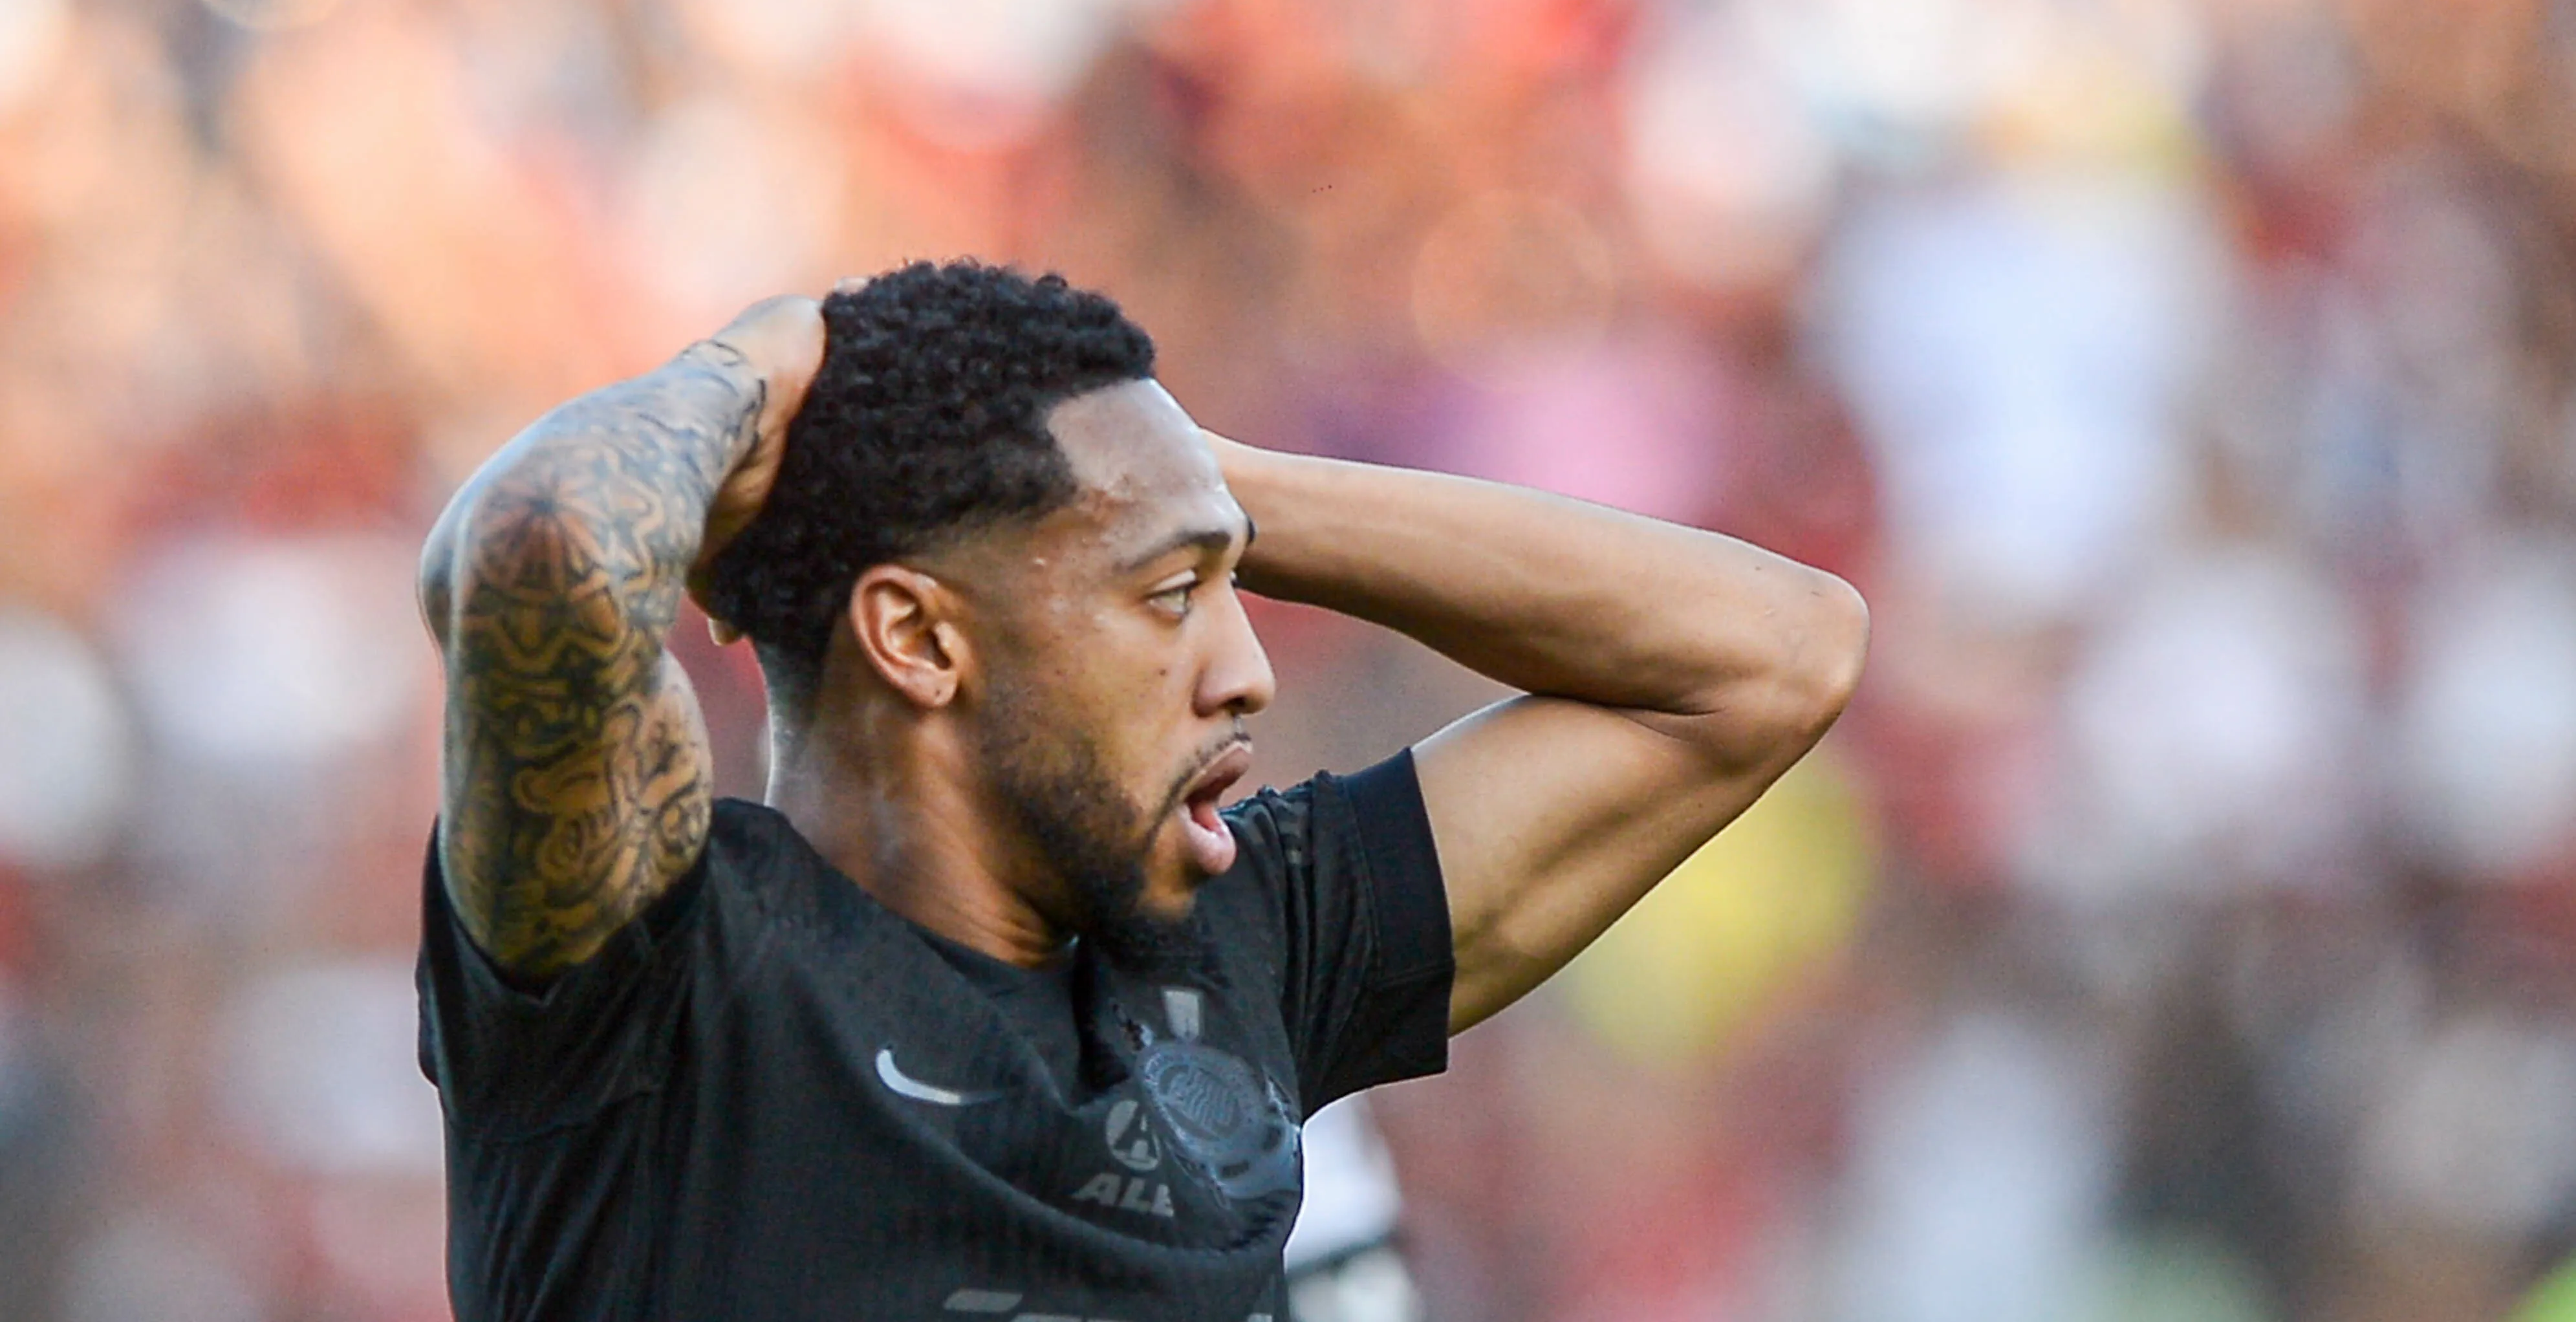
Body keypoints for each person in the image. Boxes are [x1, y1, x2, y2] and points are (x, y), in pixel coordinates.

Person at [415, 261, 1867, 1321]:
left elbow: (1775, 653)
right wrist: (745, 373)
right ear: (918, 639)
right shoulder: (657, 966)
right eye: (1171, 597)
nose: (1246, 673)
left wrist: (1195, 485)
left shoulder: (1242, 946)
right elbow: (540, 555)